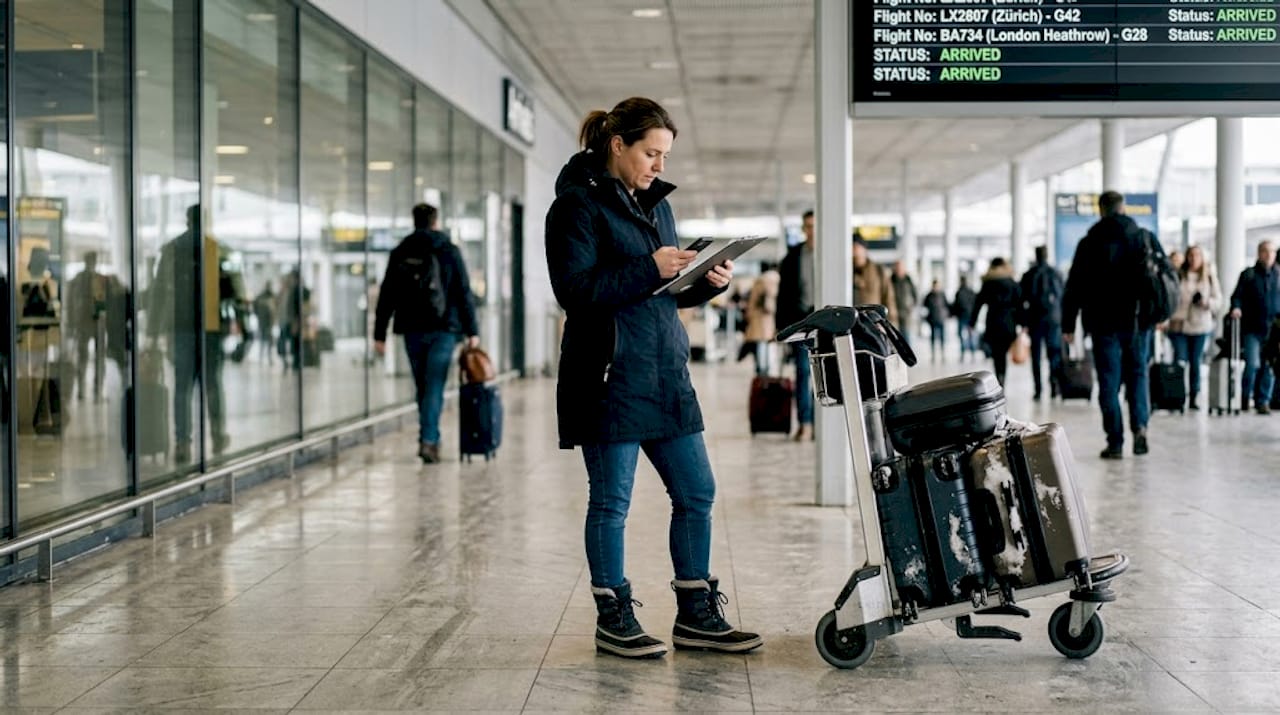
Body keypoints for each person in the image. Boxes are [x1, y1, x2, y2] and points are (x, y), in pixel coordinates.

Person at [545, 97, 761, 660]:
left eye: (665, 155)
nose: (659, 165)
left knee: (697, 491)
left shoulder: (656, 205)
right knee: (612, 501)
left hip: (665, 371)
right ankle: (612, 616)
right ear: (617, 146)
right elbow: (577, 292)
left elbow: (663, 291)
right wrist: (650, 266)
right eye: (651, 153)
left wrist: (706, 281)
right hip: (609, 375)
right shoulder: (574, 207)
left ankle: (695, 614)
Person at [373, 203, 479, 463]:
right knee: (434, 386)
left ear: (415, 221)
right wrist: (472, 330)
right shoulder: (448, 250)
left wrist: (379, 333)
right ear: (435, 221)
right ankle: (429, 439)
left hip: (411, 328)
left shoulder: (401, 251)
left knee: (423, 385)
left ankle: (429, 436)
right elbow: (463, 291)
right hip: (444, 329)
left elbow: (387, 293)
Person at [1061, 191, 1156, 459]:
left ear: (1101, 209)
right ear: (1123, 207)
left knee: (1109, 382)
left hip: (1103, 324)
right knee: (1138, 375)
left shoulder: (1089, 242)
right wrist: (1156, 315)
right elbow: (1160, 280)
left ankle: (1115, 441)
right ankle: (1140, 428)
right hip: (1138, 321)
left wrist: (1068, 324)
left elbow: (1074, 287)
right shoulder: (1142, 237)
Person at [149, 205, 246, 462]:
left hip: (180, 327)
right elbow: (236, 292)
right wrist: (242, 328)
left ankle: (183, 442)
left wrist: (153, 330)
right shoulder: (217, 249)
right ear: (203, 221)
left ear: (186, 220)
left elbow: (158, 292)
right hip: (211, 327)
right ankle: (217, 434)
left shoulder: (170, 250)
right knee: (213, 383)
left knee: (182, 386)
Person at [65, 251, 124, 403]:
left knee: (95, 358)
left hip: (94, 323)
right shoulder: (82, 279)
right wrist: (72, 323)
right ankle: (85, 389)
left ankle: (93, 389)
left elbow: (103, 303)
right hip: (87, 322)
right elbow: (72, 303)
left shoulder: (95, 279)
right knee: (86, 357)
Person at [1229, 240, 1280, 414]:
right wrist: (1236, 308)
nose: (1268, 255)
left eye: (1271, 252)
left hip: (1273, 330)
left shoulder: (1279, 275)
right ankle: (1244, 396)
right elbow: (1237, 296)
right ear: (1259, 253)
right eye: (1265, 251)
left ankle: (1263, 401)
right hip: (1252, 328)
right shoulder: (1248, 275)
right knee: (1253, 365)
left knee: (1269, 367)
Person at [1168, 245, 1222, 411]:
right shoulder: (1178, 275)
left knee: (1195, 362)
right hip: (1179, 323)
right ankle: (1177, 395)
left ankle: (1194, 395)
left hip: (1200, 324)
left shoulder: (1209, 277)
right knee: (1180, 360)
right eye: (1191, 255)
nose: (1194, 258)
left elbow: (1218, 301)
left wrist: (1206, 302)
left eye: (1197, 255)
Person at [778, 210, 816, 441]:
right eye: (808, 226)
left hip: (827, 325)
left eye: (815, 225)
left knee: (828, 377)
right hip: (801, 322)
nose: (812, 230)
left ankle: (823, 425)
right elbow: (783, 296)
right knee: (803, 373)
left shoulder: (833, 253)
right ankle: (806, 422)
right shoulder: (793, 257)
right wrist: (780, 328)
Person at [1018, 245, 1065, 401]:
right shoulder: (1056, 273)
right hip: (1054, 319)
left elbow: (1021, 300)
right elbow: (1063, 298)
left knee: (1036, 355)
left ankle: (1038, 389)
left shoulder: (1029, 275)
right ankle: (1054, 386)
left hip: (1035, 319)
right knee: (1054, 353)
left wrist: (1023, 322)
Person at [971, 257, 1021, 387]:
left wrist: (972, 322)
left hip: (993, 321)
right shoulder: (1011, 282)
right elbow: (1019, 304)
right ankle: (1003, 376)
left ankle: (999, 376)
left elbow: (978, 303)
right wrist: (1022, 323)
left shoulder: (988, 283)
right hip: (1008, 322)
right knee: (1003, 352)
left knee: (997, 353)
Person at [743, 261, 780, 376]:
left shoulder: (761, 280)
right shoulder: (778, 278)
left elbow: (753, 299)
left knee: (761, 342)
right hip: (772, 316)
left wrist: (749, 313)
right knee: (769, 342)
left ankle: (761, 368)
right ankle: (769, 367)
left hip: (760, 316)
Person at [852, 234, 897, 323]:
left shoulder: (879, 271)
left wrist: (891, 325)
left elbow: (888, 299)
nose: (852, 252)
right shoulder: (846, 272)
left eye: (855, 248)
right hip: (851, 324)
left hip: (873, 324)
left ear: (863, 249)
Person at [890, 260, 918, 347]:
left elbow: (915, 295)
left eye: (901, 267)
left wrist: (911, 307)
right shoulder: (890, 280)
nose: (899, 269)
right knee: (894, 336)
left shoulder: (908, 281)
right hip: (894, 312)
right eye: (897, 267)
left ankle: (907, 355)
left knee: (907, 334)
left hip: (906, 312)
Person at [952, 275, 978, 360]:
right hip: (970, 316)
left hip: (962, 316)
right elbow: (975, 304)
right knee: (971, 334)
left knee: (961, 334)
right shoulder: (971, 291)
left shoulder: (959, 292)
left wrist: (954, 314)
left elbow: (956, 305)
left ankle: (963, 352)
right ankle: (972, 352)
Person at [922, 279, 949, 362]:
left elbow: (947, 305)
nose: (936, 287)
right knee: (933, 338)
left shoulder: (942, 294)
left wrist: (947, 314)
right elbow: (924, 305)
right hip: (933, 320)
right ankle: (933, 355)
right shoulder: (929, 295)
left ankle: (943, 354)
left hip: (941, 319)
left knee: (942, 338)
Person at [253, 282, 276, 365]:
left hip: (268, 321)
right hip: (262, 321)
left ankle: (269, 357)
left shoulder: (272, 296)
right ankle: (261, 357)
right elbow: (255, 307)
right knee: (263, 339)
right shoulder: (261, 297)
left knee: (269, 339)